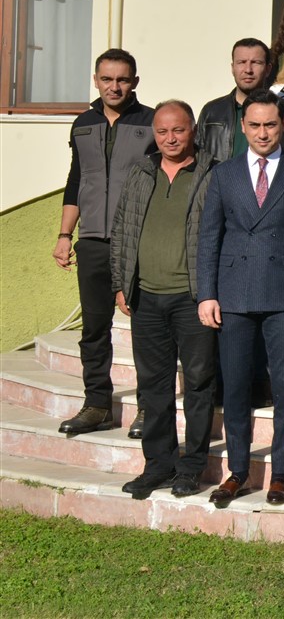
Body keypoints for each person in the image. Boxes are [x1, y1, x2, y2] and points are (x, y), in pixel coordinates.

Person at [196, 90, 284, 508]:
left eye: (270, 124)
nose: (263, 133)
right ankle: (238, 471)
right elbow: (209, 238)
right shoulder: (224, 174)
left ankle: (282, 474)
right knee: (235, 387)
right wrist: (207, 294)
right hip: (233, 293)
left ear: (283, 126)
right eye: (255, 125)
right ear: (243, 127)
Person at [110, 100, 218, 499]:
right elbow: (122, 229)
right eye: (162, 131)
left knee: (198, 384)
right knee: (153, 387)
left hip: (193, 300)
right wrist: (121, 283)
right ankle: (158, 465)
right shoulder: (141, 173)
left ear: (193, 130)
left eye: (178, 130)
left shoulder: (212, 173)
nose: (170, 139)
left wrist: (212, 293)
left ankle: (191, 467)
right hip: (147, 298)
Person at [54, 49, 156, 436]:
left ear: (134, 82)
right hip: (93, 241)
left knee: (146, 329)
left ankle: (149, 408)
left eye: (122, 79)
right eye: (107, 79)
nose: (115, 87)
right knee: (94, 330)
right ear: (96, 80)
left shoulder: (150, 122)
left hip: (137, 241)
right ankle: (97, 405)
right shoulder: (83, 124)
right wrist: (65, 235)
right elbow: (76, 181)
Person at [197, 38, 284, 164]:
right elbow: (199, 160)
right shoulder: (212, 112)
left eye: (256, 62)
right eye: (241, 62)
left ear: (268, 69)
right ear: (232, 68)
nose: (248, 70)